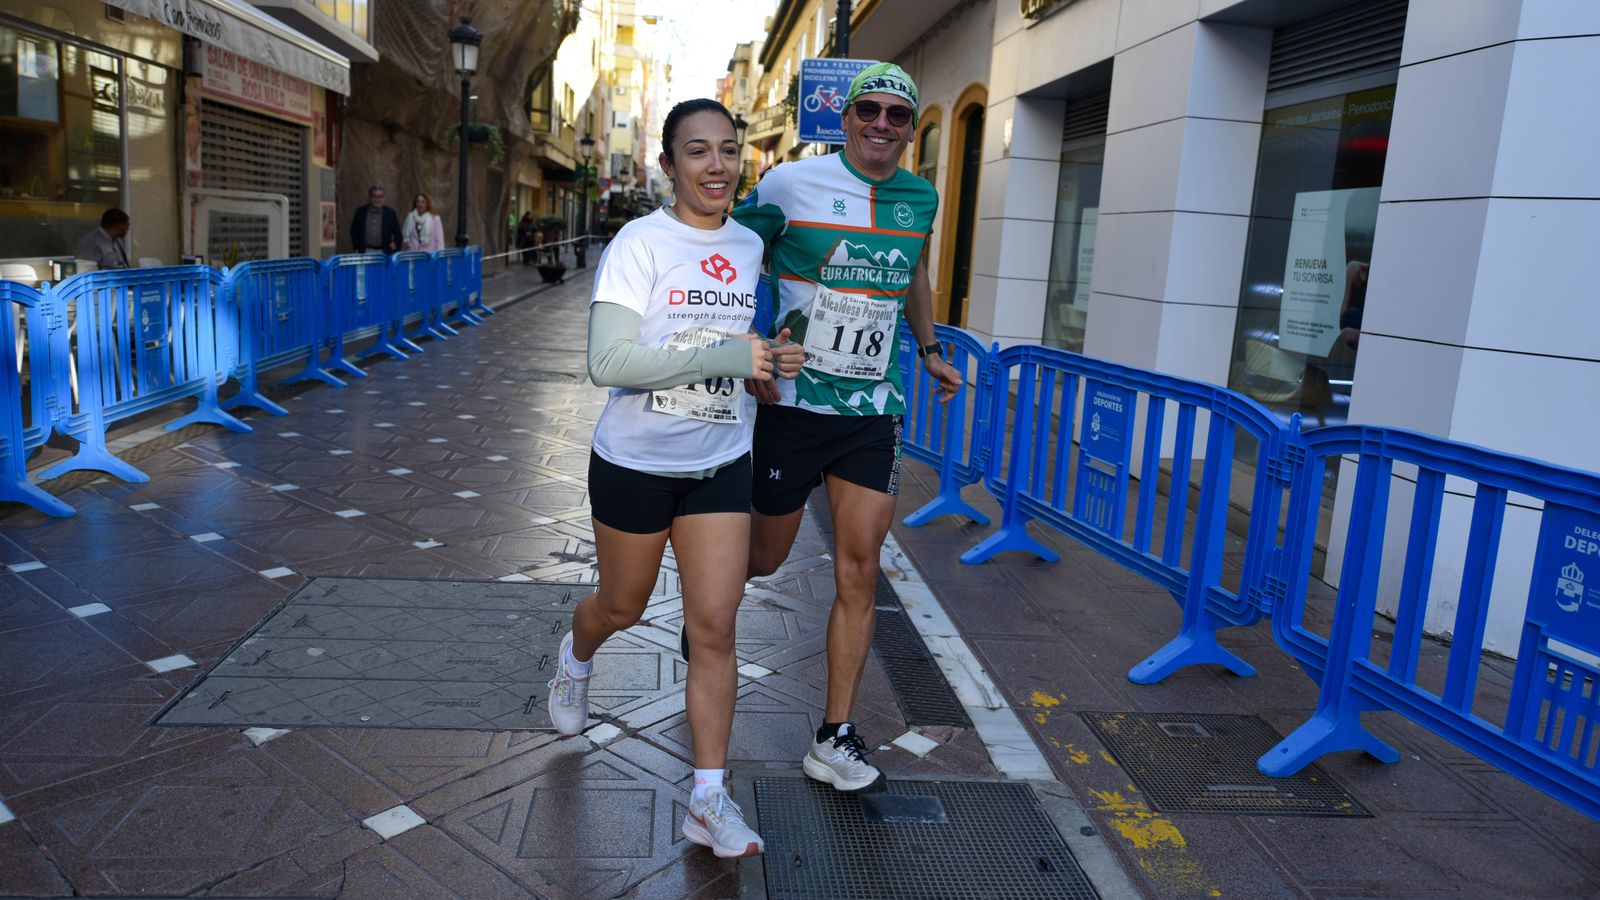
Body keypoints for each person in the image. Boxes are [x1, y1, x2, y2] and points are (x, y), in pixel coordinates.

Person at [544, 98, 803, 858]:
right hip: (636, 463)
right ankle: (575, 655)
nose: (717, 166)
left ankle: (708, 799)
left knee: (715, 628)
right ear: (668, 166)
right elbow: (609, 363)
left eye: (728, 151)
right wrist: (727, 357)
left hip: (720, 460)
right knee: (620, 607)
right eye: (698, 152)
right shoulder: (639, 242)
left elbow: (729, 347)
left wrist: (763, 369)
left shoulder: (751, 246)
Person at [731, 63, 963, 793]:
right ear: (847, 115)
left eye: (899, 115)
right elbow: (732, 260)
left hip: (872, 411)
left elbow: (915, 272)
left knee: (860, 568)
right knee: (763, 559)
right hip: (791, 406)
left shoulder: (920, 195)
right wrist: (749, 346)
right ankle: (713, 605)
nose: (883, 126)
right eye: (871, 110)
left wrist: (928, 350)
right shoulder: (788, 185)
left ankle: (834, 735)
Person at [349, 185, 401, 253]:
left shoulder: (390, 213)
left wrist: (395, 245)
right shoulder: (361, 212)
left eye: (380, 197)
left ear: (384, 198)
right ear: (370, 197)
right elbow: (354, 231)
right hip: (365, 251)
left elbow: (398, 234)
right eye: (375, 196)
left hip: (384, 252)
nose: (378, 199)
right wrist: (356, 246)